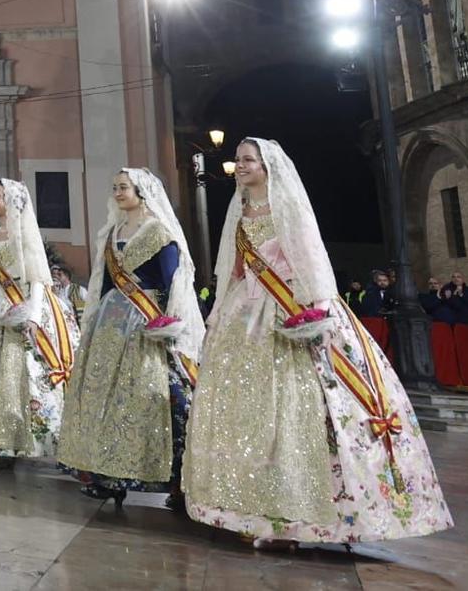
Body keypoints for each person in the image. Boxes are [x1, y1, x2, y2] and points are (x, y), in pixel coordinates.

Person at [183, 138, 452, 548]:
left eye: (248, 160)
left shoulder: (287, 208)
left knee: (295, 410)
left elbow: (310, 261)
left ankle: (299, 519)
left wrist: (316, 313)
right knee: (247, 414)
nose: (240, 166)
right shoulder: (239, 214)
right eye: (237, 160)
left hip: (288, 307)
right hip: (245, 315)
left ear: (268, 166)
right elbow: (234, 269)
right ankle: (251, 511)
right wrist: (221, 313)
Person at [57, 168, 203, 508]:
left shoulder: (159, 232)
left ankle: (172, 479)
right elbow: (106, 282)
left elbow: (174, 281)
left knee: (154, 394)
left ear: (142, 191)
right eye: (115, 187)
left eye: (124, 187)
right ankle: (106, 476)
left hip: (146, 322)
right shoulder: (113, 232)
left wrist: (169, 323)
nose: (118, 192)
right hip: (109, 323)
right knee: (103, 396)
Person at [0, 179, 77, 463]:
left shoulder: (23, 234)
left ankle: (17, 440)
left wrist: (32, 315)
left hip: (18, 304)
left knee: (14, 376)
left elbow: (38, 279)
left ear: (11, 201)